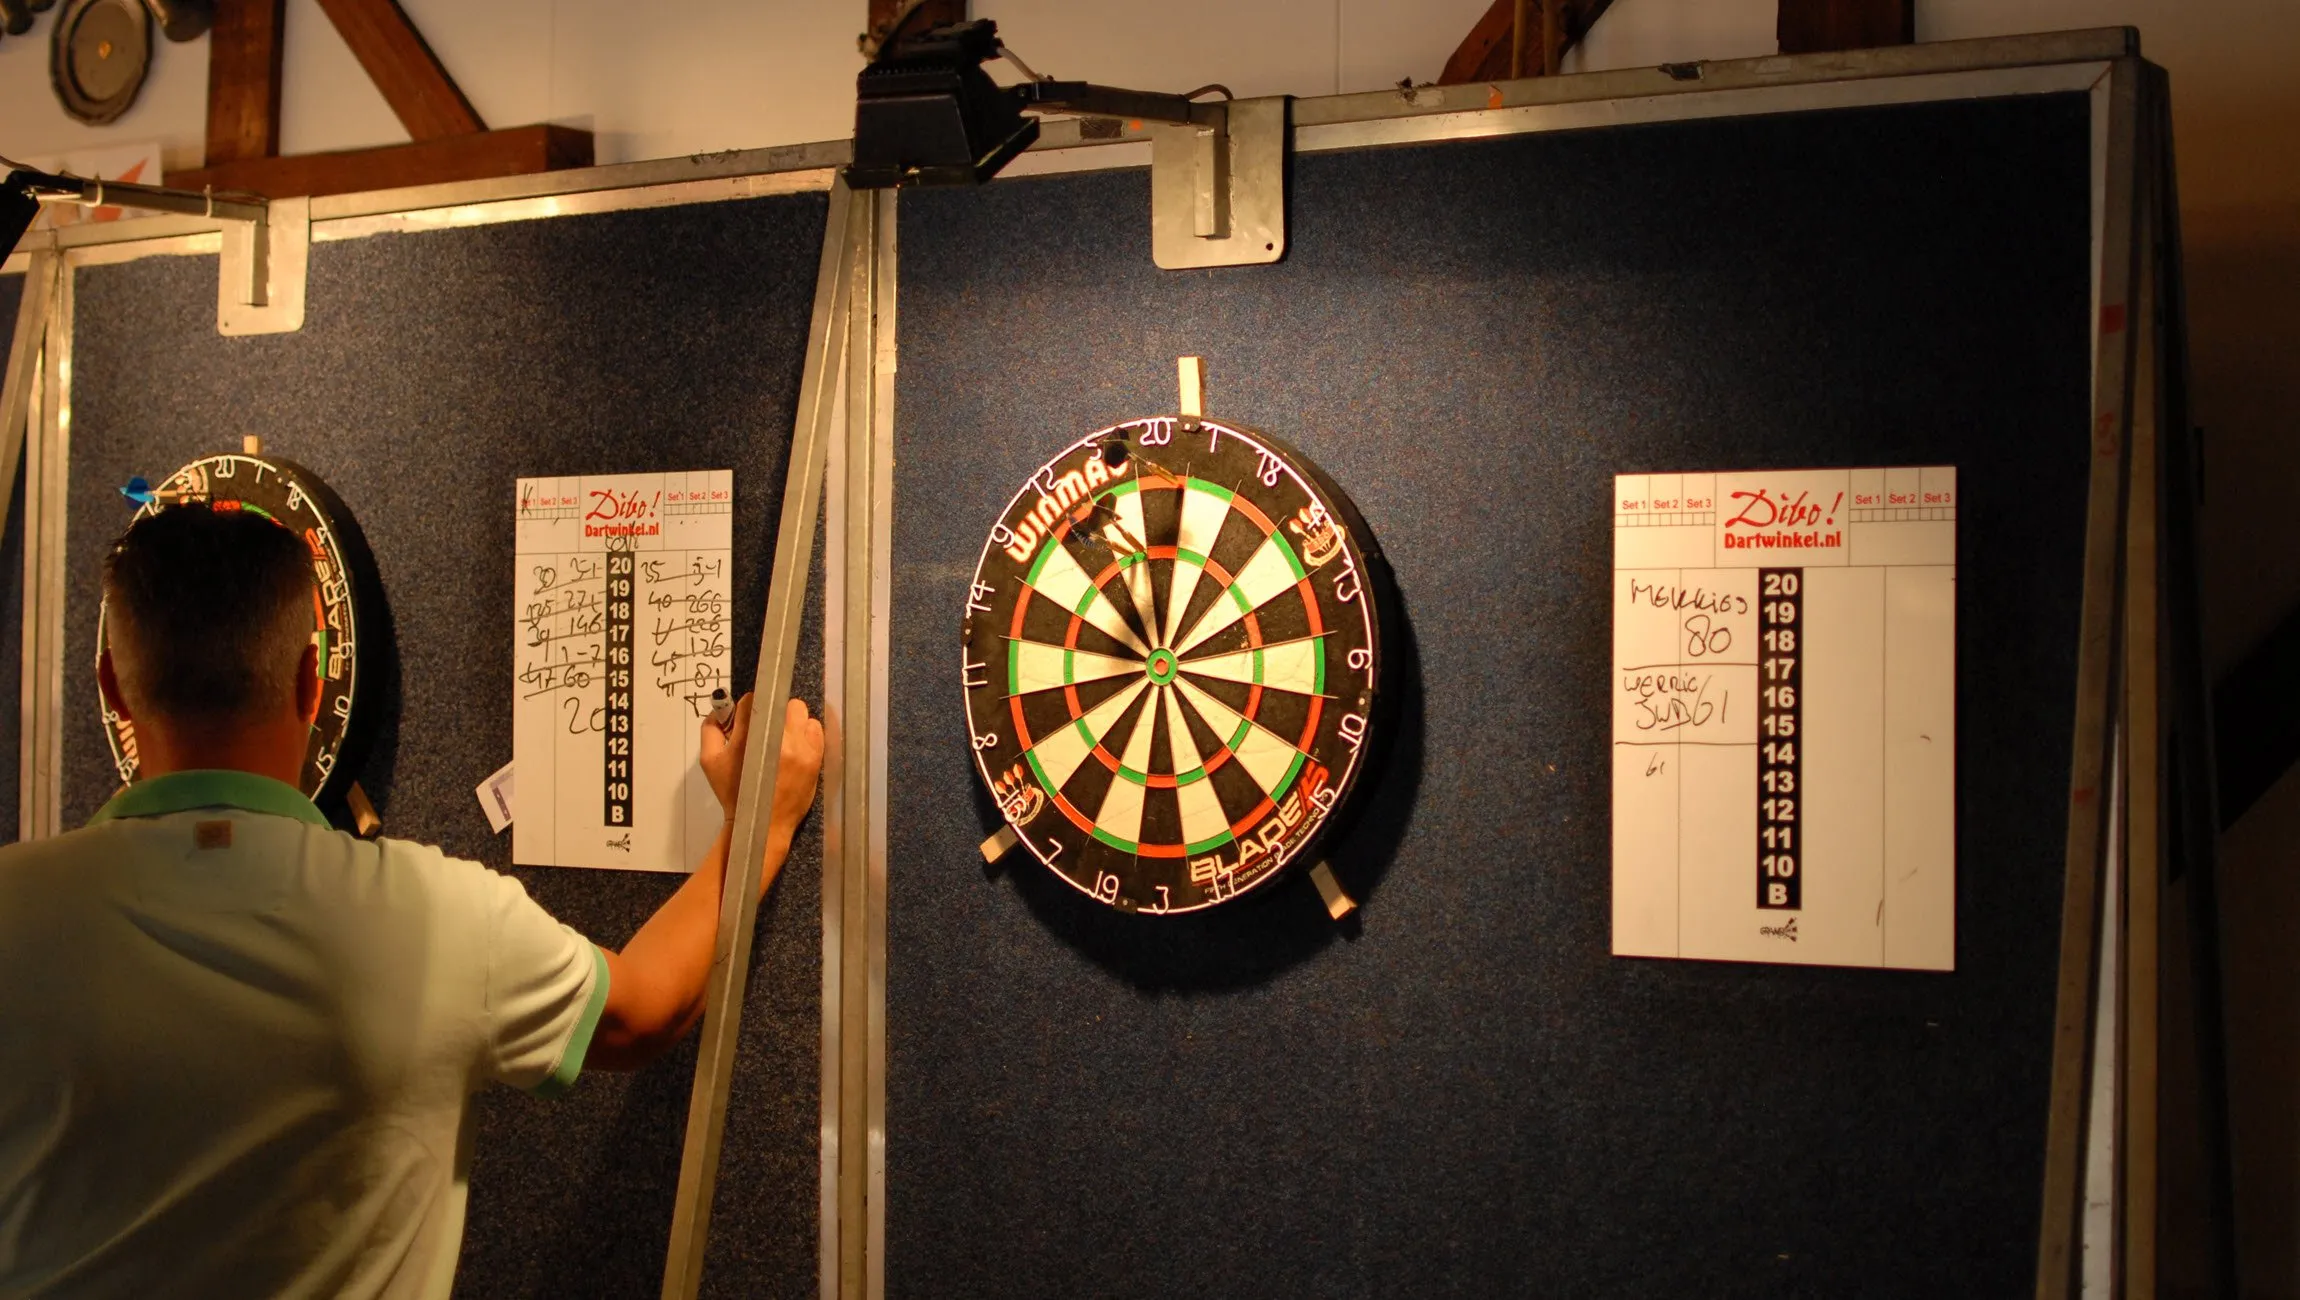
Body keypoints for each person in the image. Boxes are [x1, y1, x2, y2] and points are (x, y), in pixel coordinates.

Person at [0, 505, 824, 1297]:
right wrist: (762, 824)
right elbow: (646, 1009)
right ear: (312, 683)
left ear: (112, 687)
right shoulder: (440, 917)